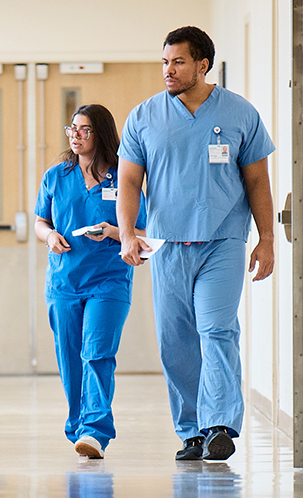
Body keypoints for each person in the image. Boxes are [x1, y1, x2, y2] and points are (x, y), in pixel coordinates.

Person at [116, 26, 276, 462]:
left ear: (203, 64)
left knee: (217, 329)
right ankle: (191, 430)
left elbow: (257, 179)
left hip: (223, 240)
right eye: (165, 62)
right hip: (167, 243)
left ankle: (219, 424)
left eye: (179, 61)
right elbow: (130, 180)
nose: (169, 70)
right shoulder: (144, 117)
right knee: (176, 340)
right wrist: (128, 231)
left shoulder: (240, 113)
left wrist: (266, 239)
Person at [34, 104, 147, 459]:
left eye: (84, 129)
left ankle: (95, 430)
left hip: (108, 281)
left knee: (97, 353)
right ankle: (78, 425)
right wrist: (49, 236)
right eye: (72, 128)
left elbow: (143, 232)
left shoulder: (122, 177)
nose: (76, 136)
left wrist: (115, 231)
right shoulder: (57, 176)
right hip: (64, 282)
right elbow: (40, 222)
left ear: (101, 135)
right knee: (70, 358)